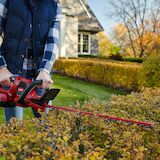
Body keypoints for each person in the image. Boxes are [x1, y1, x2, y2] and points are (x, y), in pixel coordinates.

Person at [0, 0, 61, 122]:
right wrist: (1, 67)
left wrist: (45, 70)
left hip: (39, 78)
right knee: (14, 131)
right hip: (11, 76)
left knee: (46, 128)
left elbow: (52, 41)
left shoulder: (54, 5)